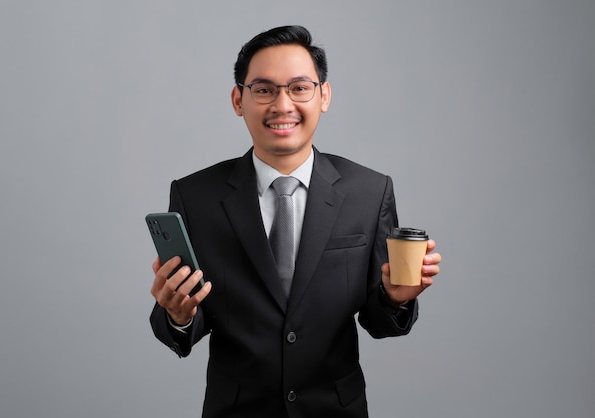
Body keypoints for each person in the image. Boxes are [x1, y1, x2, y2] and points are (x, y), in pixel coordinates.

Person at [149, 25, 442, 418]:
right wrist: (177, 315)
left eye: (299, 88)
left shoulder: (369, 193)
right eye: (264, 89)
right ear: (238, 99)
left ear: (324, 96)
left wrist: (395, 299)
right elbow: (190, 319)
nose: (282, 105)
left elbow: (379, 322)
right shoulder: (195, 196)